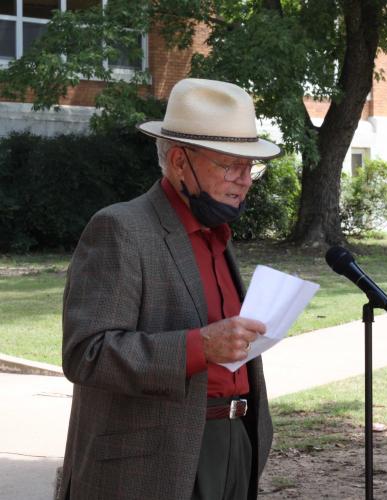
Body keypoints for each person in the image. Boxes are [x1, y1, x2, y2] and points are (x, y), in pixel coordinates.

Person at [57, 78, 281, 500]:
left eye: (251, 167)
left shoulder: (218, 234)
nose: (245, 180)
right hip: (152, 464)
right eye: (231, 164)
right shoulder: (121, 228)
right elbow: (86, 353)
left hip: (236, 447)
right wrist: (200, 347)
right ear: (180, 161)